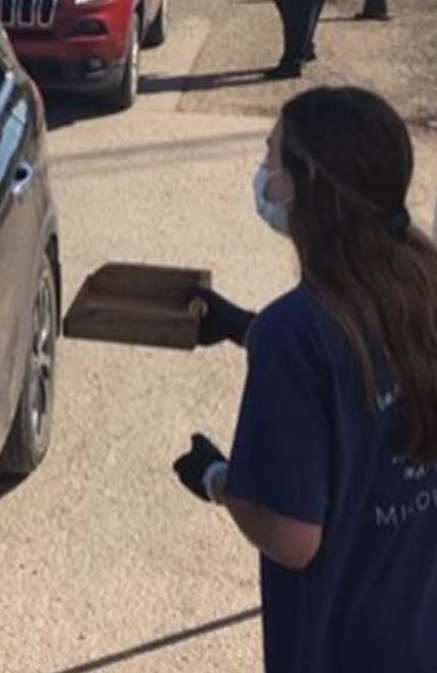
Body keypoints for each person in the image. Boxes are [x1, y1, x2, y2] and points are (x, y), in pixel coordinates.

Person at [173, 87, 437, 670]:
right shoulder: (422, 282)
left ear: (307, 183)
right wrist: (241, 325)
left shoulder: (294, 336)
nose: (262, 174)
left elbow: (294, 540)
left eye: (272, 158)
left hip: (339, 648)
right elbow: (370, 368)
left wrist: (222, 481)